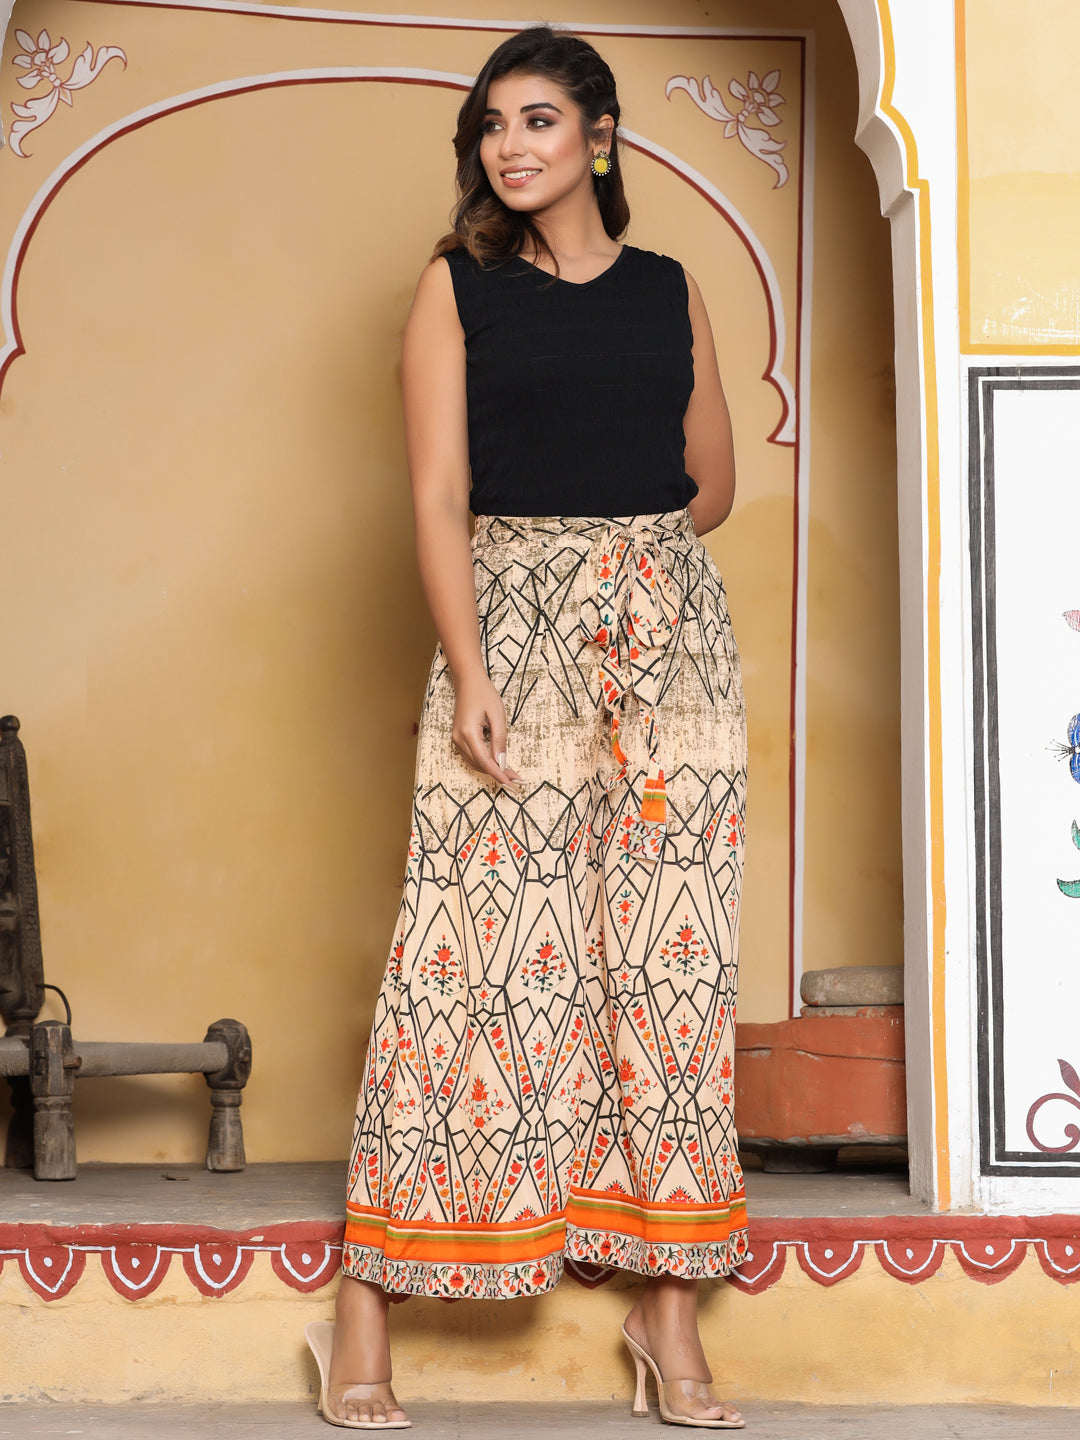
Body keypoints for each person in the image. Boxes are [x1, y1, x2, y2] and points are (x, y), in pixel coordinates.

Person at [305, 23, 749, 1431]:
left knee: (667, 970)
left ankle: (668, 1314)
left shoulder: (673, 289)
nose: (511, 146)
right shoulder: (456, 288)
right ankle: (364, 1303)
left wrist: (630, 570)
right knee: (468, 958)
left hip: (670, 653)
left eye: (540, 119)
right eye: (493, 125)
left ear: (600, 136)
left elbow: (711, 485)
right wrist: (480, 652)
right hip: (507, 637)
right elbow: (438, 496)